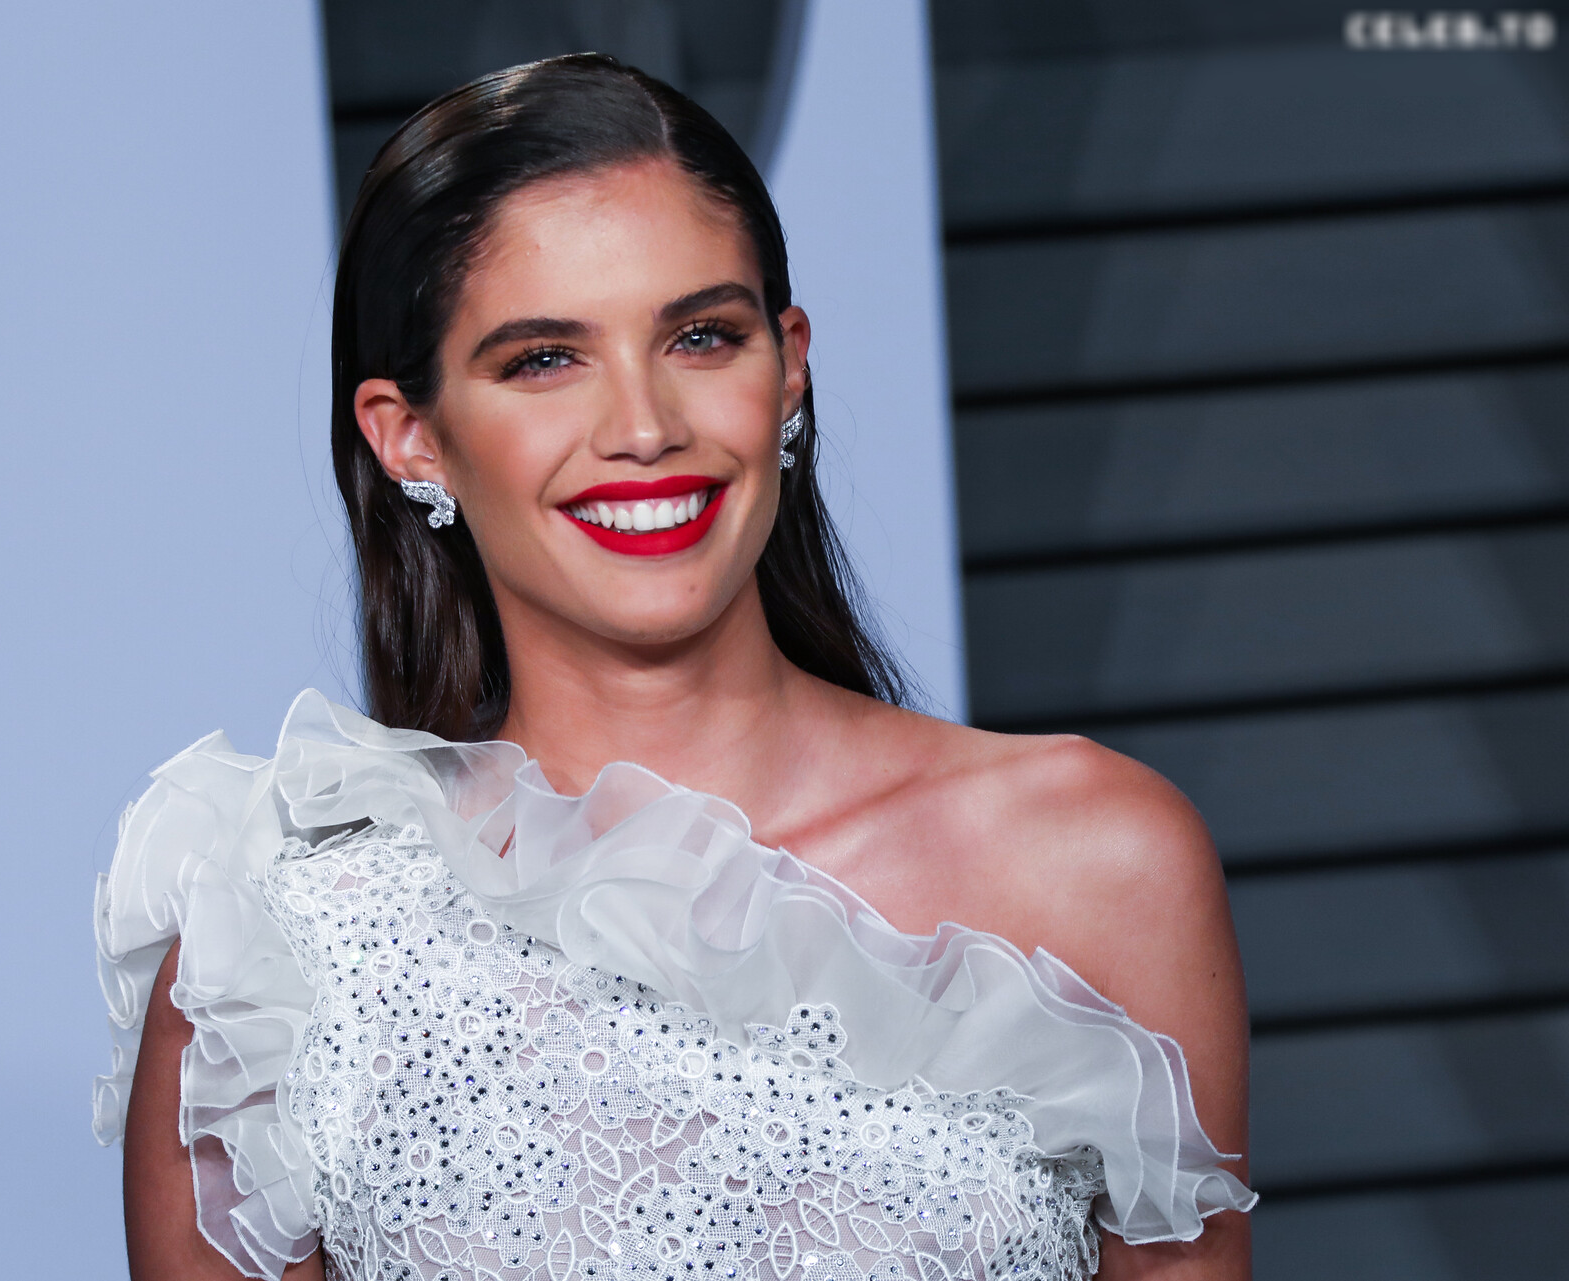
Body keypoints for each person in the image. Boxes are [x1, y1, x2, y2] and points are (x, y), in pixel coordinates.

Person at [93, 54, 1255, 1281]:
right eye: (545, 359)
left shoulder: (1095, 865)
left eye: (702, 337)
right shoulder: (275, 958)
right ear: (411, 436)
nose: (645, 429)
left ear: (788, 366)